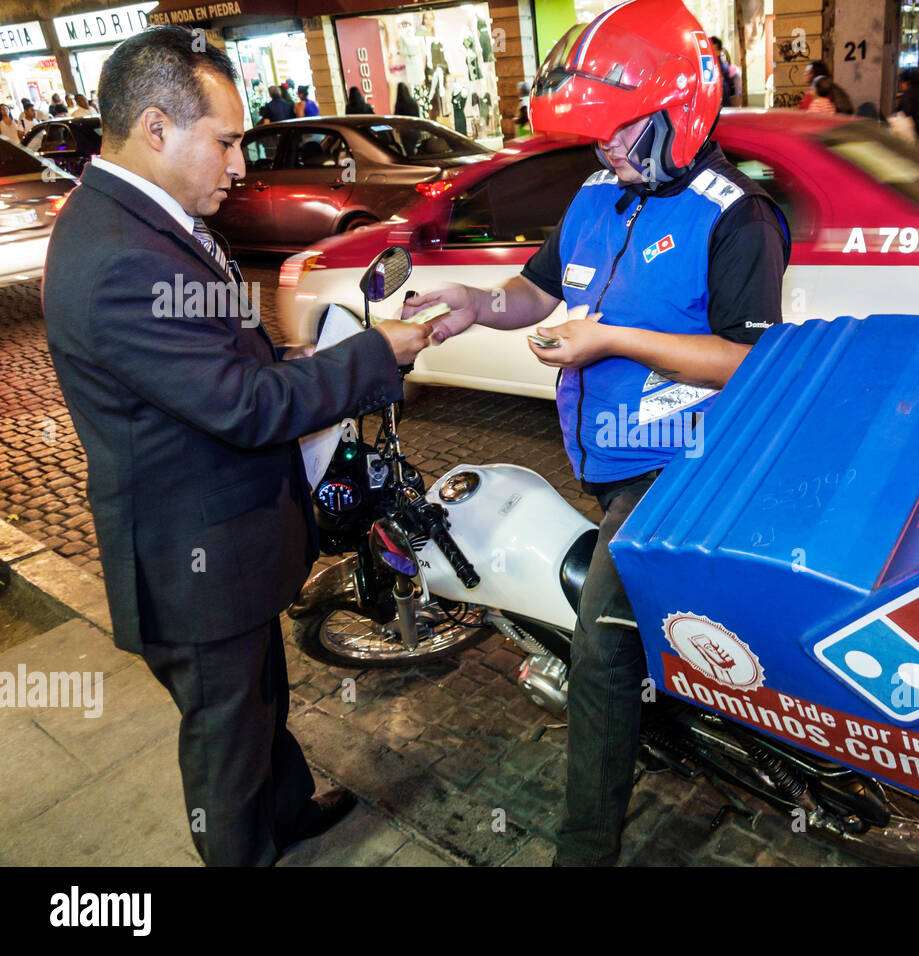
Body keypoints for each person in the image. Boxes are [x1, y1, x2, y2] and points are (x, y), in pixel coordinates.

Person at [400, 0, 789, 866]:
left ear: (677, 112)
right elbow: (540, 291)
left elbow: (747, 363)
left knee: (602, 657)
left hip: (680, 470)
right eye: (599, 137)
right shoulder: (597, 191)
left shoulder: (737, 218)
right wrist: (479, 304)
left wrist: (611, 338)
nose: (604, 151)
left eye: (617, 133)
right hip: (607, 463)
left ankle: (585, 850)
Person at [41, 25, 433, 866]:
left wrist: (292, 357)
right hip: (194, 562)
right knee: (225, 744)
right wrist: (371, 356)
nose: (237, 165)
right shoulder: (118, 256)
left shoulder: (141, 219)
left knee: (257, 707)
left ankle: (282, 812)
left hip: (224, 548)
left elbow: (212, 363)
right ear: (156, 128)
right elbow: (241, 407)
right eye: (223, 143)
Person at [710, 36, 741, 106]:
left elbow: (736, 93)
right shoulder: (706, 69)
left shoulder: (727, 70)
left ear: (719, 52)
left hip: (725, 109)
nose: (711, 53)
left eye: (713, 50)